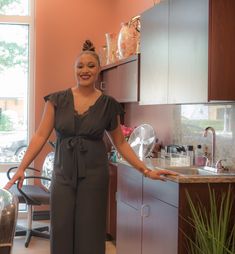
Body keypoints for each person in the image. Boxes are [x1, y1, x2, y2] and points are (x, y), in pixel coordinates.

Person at [4, 40, 177, 254]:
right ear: (74, 69)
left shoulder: (108, 104)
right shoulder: (56, 101)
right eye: (80, 66)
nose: (85, 70)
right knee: (61, 227)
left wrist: (146, 170)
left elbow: (120, 143)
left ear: (98, 70)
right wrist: (22, 167)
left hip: (95, 175)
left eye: (90, 66)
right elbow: (40, 136)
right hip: (63, 173)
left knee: (91, 229)